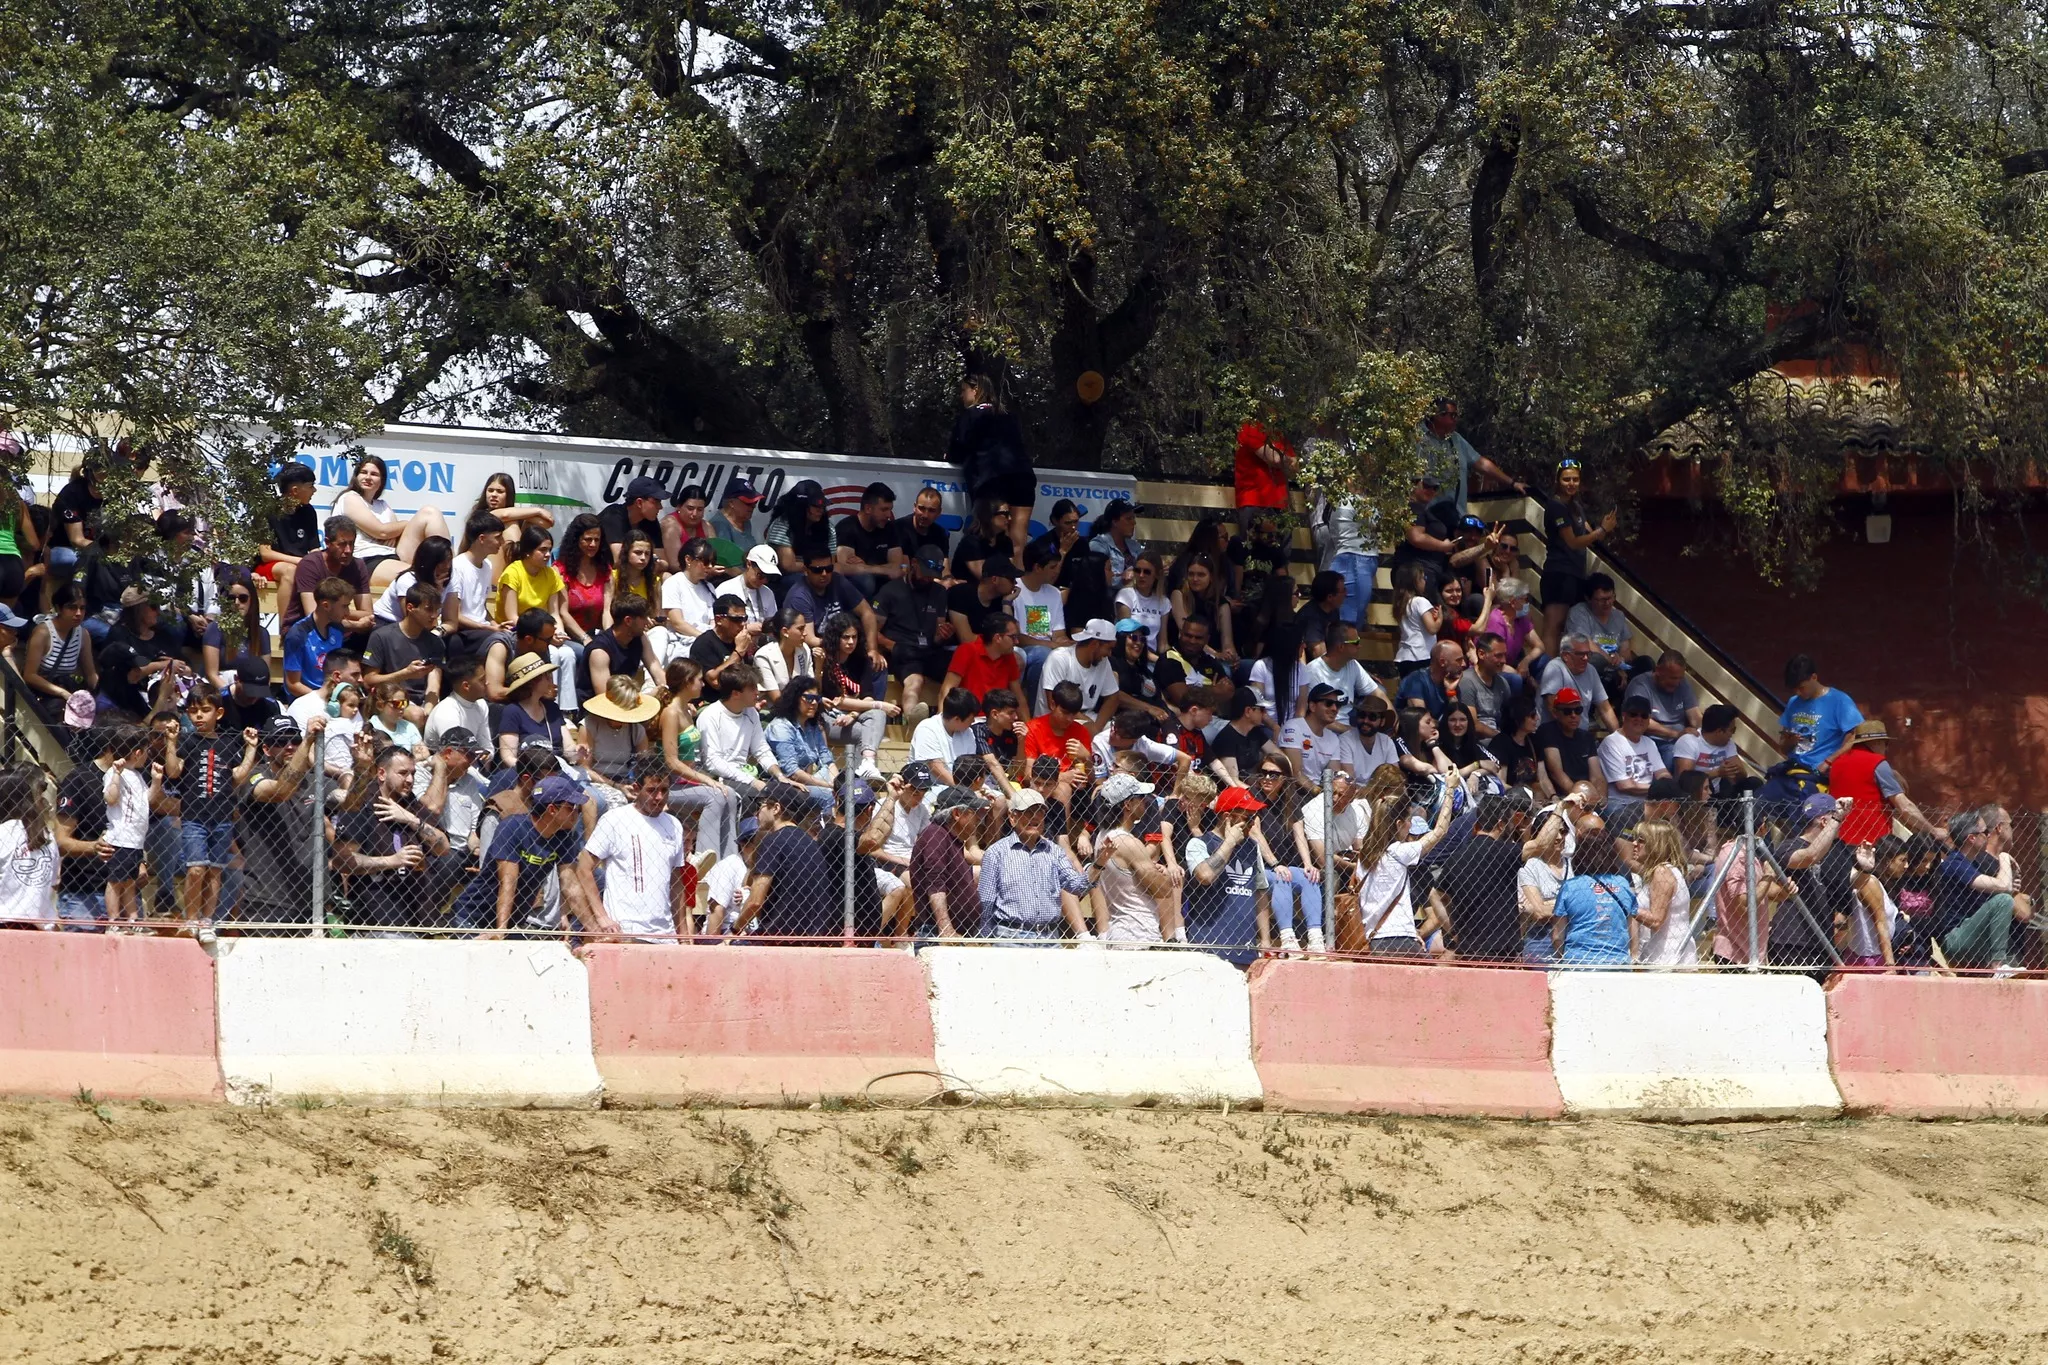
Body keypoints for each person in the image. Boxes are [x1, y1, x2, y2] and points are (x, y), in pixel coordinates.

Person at [452, 774, 604, 937]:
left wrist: (594, 932)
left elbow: (571, 885)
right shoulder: (512, 828)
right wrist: (500, 932)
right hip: (472, 916)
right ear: (552, 809)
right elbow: (508, 882)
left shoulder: (563, 836)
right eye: (571, 807)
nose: (577, 813)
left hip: (511, 921)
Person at [164, 689, 258, 941]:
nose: (198, 716)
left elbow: (237, 777)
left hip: (222, 818)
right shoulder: (186, 742)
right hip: (194, 817)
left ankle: (207, 919)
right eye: (193, 711)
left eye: (205, 710)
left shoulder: (228, 742)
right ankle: (191, 918)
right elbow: (173, 772)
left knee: (215, 871)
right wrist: (171, 743)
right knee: (196, 869)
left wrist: (251, 749)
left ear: (218, 713)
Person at [580, 753, 689, 940]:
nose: (659, 797)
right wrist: (602, 917)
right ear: (637, 789)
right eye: (652, 790)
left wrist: (683, 933)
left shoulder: (674, 825)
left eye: (664, 790)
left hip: (665, 936)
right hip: (626, 930)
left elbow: (676, 882)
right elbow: (583, 868)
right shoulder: (615, 820)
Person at [979, 788, 1096, 940]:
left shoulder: (1055, 852)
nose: (1035, 817)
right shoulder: (996, 853)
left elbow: (1077, 886)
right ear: (1012, 817)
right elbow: (986, 900)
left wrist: (1099, 864)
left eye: (1040, 811)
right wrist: (985, 937)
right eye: (1028, 812)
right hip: (1010, 938)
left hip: (1050, 937)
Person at [1931, 805, 2034, 972]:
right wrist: (2004, 857)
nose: (1988, 835)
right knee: (2003, 900)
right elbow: (2003, 886)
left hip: (1974, 934)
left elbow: (2001, 890)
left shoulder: (1975, 863)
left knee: (2003, 899)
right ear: (1972, 838)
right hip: (1955, 939)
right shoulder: (1955, 863)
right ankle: (1998, 967)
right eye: (1985, 832)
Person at [724, 780, 829, 939]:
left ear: (776, 808)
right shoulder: (809, 842)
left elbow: (755, 902)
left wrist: (734, 931)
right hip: (813, 937)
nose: (756, 812)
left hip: (778, 938)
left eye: (761, 805)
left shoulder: (773, 843)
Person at [948, 374, 1034, 564]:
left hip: (992, 479)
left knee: (985, 535)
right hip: (1023, 476)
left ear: (975, 390)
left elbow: (957, 451)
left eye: (963, 391)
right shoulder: (1008, 415)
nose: (962, 396)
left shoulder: (970, 415)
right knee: (1018, 540)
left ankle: (988, 585)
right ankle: (1016, 583)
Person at [1537, 458, 1614, 655]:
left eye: (1575, 479)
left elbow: (1587, 532)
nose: (1571, 483)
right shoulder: (1556, 506)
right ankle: (1549, 673)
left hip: (1576, 574)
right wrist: (1601, 530)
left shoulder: (1576, 507)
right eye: (1566, 479)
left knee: (1570, 629)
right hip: (1558, 573)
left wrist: (1602, 531)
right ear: (1558, 481)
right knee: (1554, 625)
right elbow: (1572, 541)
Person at [1090, 772, 1178, 945]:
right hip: (1140, 933)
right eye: (1140, 797)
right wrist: (1164, 874)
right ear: (1128, 804)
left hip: (1119, 930)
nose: (1144, 801)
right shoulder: (1130, 843)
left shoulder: (1102, 836)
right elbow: (1163, 889)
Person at [1181, 784, 1264, 961]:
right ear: (1228, 817)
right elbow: (1205, 876)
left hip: (1244, 946)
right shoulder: (1199, 844)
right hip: (1208, 945)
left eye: (1255, 817)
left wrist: (1265, 939)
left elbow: (1260, 892)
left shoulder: (1252, 847)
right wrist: (1230, 843)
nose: (1254, 823)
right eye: (1248, 817)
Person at [1244, 761, 1321, 952]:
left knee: (1309, 878)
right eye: (1263, 773)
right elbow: (1256, 834)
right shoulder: (1253, 798)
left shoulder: (1290, 799)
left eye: (1274, 774)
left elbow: (1299, 834)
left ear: (1284, 778)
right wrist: (1276, 863)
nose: (1267, 778)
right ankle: (1287, 938)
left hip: (1285, 866)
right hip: (1260, 866)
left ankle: (1315, 937)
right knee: (1281, 878)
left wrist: (1308, 864)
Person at [1828, 719, 1944, 845]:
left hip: (1838, 840)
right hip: (1872, 841)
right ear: (1877, 742)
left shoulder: (1837, 764)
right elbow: (1905, 807)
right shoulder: (1876, 762)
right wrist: (1933, 830)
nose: (1886, 749)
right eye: (1886, 744)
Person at [875, 547, 953, 727]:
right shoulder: (891, 590)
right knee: (914, 681)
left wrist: (943, 634)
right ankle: (913, 721)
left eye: (931, 575)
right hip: (902, 649)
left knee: (957, 669)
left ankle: (953, 723)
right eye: (925, 573)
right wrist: (891, 645)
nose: (927, 578)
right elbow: (872, 630)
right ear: (914, 564)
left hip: (929, 650)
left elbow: (937, 634)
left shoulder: (939, 592)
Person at [1417, 396, 1521, 516]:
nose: (1456, 420)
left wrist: (1512, 483)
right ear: (1438, 415)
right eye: (1453, 415)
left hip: (1456, 516)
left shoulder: (1456, 440)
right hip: (1427, 517)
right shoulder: (1418, 439)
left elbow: (1481, 464)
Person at [365, 581, 447, 719]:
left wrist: (428, 710)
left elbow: (434, 684)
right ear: (410, 607)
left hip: (421, 703)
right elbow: (369, 680)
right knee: (416, 714)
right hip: (390, 700)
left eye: (437, 610)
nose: (434, 615)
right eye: (428, 609)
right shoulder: (381, 636)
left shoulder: (435, 642)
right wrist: (405, 674)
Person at [1551, 831, 1634, 965]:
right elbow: (1631, 930)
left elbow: (1557, 936)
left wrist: (1564, 960)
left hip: (1579, 961)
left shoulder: (1570, 887)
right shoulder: (1623, 884)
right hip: (1617, 961)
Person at [283, 516, 373, 635]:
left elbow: (368, 614)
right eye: (342, 544)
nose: (348, 550)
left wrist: (338, 613)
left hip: (340, 633)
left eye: (351, 544)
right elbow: (314, 616)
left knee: (376, 633)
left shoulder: (358, 565)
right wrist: (354, 624)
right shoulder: (310, 564)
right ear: (327, 542)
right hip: (304, 633)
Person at [24, 584, 95, 724]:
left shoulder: (83, 635)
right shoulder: (43, 633)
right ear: (58, 608)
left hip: (66, 693)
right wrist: (62, 693)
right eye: (72, 607)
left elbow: (91, 674)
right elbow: (29, 675)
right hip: (44, 695)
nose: (78, 613)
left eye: (82, 608)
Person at [1630, 819, 1697, 968]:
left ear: (1656, 845)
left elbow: (1656, 921)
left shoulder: (1661, 872)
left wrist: (1626, 904)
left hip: (1667, 956)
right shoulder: (1667, 870)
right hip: (1670, 952)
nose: (1634, 844)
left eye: (1641, 840)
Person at [764, 678, 839, 806]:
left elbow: (827, 760)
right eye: (809, 698)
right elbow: (792, 772)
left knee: (850, 791)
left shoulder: (813, 727)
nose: (814, 702)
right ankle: (830, 826)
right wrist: (829, 786)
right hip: (787, 785)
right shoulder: (781, 727)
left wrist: (838, 785)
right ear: (795, 698)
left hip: (814, 780)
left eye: (817, 698)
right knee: (827, 795)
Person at [1778, 654, 1863, 767]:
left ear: (1814, 677)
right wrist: (1790, 742)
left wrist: (1830, 762)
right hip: (1793, 767)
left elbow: (1855, 735)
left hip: (1820, 771)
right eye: (1794, 689)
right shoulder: (1793, 702)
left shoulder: (1839, 700)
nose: (1798, 693)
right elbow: (1783, 749)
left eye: (1802, 687)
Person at [1621, 651, 1702, 768]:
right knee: (1673, 755)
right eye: (1673, 678)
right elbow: (1641, 721)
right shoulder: (1640, 685)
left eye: (1680, 678)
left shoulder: (1683, 683)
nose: (1677, 683)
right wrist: (1677, 734)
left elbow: (1695, 716)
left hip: (1682, 739)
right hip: (1652, 739)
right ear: (1658, 670)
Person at [1036, 619, 1126, 722]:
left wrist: (1097, 727)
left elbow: (1113, 697)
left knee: (1121, 731)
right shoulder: (1059, 658)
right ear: (1095, 644)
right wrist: (1091, 727)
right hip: (1057, 720)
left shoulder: (1103, 662)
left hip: (1087, 718)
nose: (1110, 654)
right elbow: (1055, 702)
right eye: (1109, 648)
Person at [496, 651, 573, 766]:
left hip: (557, 770)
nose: (550, 680)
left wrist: (579, 752)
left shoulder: (552, 707)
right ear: (533, 682)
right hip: (525, 775)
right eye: (546, 676)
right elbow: (508, 757)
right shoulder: (512, 712)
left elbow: (569, 748)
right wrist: (535, 770)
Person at [1597, 695, 1670, 815]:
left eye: (1644, 715)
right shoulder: (1611, 743)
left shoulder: (1649, 743)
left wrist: (1667, 785)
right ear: (1624, 716)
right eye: (1634, 714)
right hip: (1620, 805)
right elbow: (1625, 786)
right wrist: (1659, 789)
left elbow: (1662, 772)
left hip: (1648, 803)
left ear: (1648, 720)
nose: (1639, 719)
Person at [282, 577, 353, 698]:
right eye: (344, 606)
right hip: (307, 701)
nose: (348, 612)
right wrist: (322, 699)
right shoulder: (298, 634)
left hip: (333, 698)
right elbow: (293, 684)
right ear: (326, 605)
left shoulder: (337, 629)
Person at [1536, 688, 1605, 807]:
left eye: (1578, 710)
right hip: (1565, 798)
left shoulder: (1587, 737)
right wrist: (1580, 798)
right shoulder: (1548, 731)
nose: (1573, 715)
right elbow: (1556, 773)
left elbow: (1597, 776)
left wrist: (1600, 799)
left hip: (1589, 798)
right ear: (1556, 712)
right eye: (1567, 711)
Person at [1563, 573, 1635, 688]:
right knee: (1596, 660)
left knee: (1644, 663)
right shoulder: (1579, 612)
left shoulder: (1618, 616)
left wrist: (1621, 661)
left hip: (1615, 666)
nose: (1607, 603)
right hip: (1591, 667)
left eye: (1610, 598)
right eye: (1601, 600)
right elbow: (1584, 642)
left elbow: (1625, 647)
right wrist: (1611, 661)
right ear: (1588, 598)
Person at [1208, 686, 1289, 788]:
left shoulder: (1255, 732)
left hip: (1255, 789)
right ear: (1248, 711)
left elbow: (1280, 757)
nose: (1265, 714)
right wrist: (1257, 796)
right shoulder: (1227, 738)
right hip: (1237, 796)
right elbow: (1234, 780)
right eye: (1262, 710)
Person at [834, 481, 906, 594]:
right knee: (865, 581)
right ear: (868, 508)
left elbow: (896, 567)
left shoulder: (890, 528)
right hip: (857, 591)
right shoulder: (847, 528)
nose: (888, 515)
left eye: (890, 509)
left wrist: (864, 567)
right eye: (884, 509)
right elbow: (844, 568)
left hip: (884, 587)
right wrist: (882, 569)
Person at [257, 461, 319, 584]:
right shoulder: (267, 511)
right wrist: (299, 561)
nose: (314, 490)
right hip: (269, 566)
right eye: (311, 486)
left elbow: (314, 549)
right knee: (290, 570)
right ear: (295, 490)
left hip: (300, 565)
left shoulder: (309, 511)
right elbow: (265, 553)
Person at [1538, 634, 1617, 731]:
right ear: (1566, 656)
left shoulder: (1591, 670)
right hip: (1554, 733)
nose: (1586, 658)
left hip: (1579, 735)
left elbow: (1606, 709)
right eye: (1580, 654)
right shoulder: (1555, 667)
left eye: (1588, 654)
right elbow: (1553, 707)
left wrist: (1620, 740)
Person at [556, 513, 612, 650]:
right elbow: (563, 613)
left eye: (597, 540)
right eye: (588, 539)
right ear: (576, 540)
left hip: (597, 635)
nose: (593, 544)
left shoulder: (605, 570)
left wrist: (610, 638)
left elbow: (607, 610)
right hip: (571, 637)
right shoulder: (560, 571)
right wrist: (585, 639)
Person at [657, 535, 722, 651]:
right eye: (706, 562)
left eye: (712, 562)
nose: (710, 566)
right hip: (681, 643)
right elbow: (677, 623)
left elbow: (713, 621)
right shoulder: (674, 583)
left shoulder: (709, 587)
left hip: (708, 641)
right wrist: (705, 638)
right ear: (688, 559)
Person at [942, 611, 1023, 704]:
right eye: (1013, 637)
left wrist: (1027, 719)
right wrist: (943, 717)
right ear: (997, 638)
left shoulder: (1009, 656)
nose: (1017, 642)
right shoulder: (967, 650)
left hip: (996, 716)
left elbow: (1019, 697)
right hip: (968, 716)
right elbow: (947, 690)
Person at [1169, 552, 1236, 662]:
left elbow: (1227, 642)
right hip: (1185, 656)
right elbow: (1188, 637)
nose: (1195, 579)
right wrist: (1215, 654)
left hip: (1215, 658)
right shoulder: (1179, 595)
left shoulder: (1221, 603)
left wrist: (1231, 656)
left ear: (1211, 577)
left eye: (1201, 575)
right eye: (1191, 574)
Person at [763, 479, 836, 576]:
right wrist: (817, 567)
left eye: (823, 506)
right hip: (787, 577)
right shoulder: (782, 525)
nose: (821, 510)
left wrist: (818, 569)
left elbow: (833, 561)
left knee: (841, 581)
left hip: (820, 573)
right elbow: (788, 566)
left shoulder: (828, 528)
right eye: (815, 506)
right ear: (800, 506)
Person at [1673, 704, 1749, 794]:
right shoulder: (1689, 741)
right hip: (1696, 795)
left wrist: (1736, 770)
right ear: (1719, 731)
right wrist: (1717, 773)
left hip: (1719, 793)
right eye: (1732, 730)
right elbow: (1685, 781)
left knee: (1753, 782)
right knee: (1709, 785)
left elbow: (1742, 777)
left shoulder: (1728, 743)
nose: (1732, 734)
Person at [1233, 418, 1296, 527]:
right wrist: (1287, 460)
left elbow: (1295, 468)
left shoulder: (1278, 433)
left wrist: (1286, 461)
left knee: (1284, 542)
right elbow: (1274, 458)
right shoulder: (1250, 427)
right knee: (1257, 543)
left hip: (1281, 504)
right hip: (1255, 503)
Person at [946, 553, 1015, 643]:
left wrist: (1007, 604)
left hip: (991, 652)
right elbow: (966, 639)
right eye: (1011, 579)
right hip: (957, 652)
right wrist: (997, 641)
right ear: (995, 579)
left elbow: (1010, 639)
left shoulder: (1001, 601)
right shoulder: (960, 594)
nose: (1015, 583)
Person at [1025, 681, 1093, 773]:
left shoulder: (1081, 732)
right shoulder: (1032, 729)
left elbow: (1092, 779)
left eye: (1074, 714)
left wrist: (1086, 758)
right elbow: (1028, 774)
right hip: (1041, 785)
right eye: (1065, 712)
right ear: (1053, 705)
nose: (1069, 719)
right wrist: (1063, 778)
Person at [425, 654, 489, 750]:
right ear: (466, 686)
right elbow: (455, 754)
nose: (487, 682)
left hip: (473, 761)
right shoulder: (446, 711)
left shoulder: (481, 704)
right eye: (482, 680)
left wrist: (487, 754)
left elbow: (487, 745)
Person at [601, 476, 667, 568]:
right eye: (656, 502)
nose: (660, 507)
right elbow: (618, 560)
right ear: (639, 502)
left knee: (666, 576)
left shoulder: (650, 520)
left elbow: (664, 563)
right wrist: (653, 562)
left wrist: (655, 563)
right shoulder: (613, 515)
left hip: (635, 575)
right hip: (601, 575)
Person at [1114, 549, 1171, 650]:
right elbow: (1127, 638)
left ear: (1157, 574)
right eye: (1137, 570)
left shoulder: (1164, 602)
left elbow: (1163, 643)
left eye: (1147, 572)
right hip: (1131, 654)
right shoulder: (1126, 595)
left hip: (1153, 657)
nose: (1141, 575)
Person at [1395, 640, 1464, 721]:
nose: (1464, 664)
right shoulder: (1416, 681)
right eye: (1459, 660)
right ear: (1442, 662)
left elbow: (1457, 718)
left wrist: (1451, 692)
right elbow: (1421, 721)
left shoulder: (1450, 680)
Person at [715, 543, 781, 626]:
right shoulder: (726, 589)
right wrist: (747, 629)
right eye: (760, 575)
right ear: (748, 564)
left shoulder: (768, 593)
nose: (764, 581)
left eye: (769, 577)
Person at [659, 483, 710, 574]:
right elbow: (675, 565)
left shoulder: (707, 526)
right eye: (690, 508)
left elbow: (716, 558)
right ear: (679, 506)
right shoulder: (670, 524)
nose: (694, 514)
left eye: (700, 509)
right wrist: (706, 570)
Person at [893, 486, 950, 568]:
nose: (925, 515)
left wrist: (948, 579)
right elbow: (904, 569)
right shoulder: (898, 528)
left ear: (939, 512)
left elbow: (945, 568)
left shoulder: (941, 533)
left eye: (931, 510)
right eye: (921, 508)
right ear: (914, 507)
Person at [706, 476, 764, 552]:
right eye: (748, 503)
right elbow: (727, 558)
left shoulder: (745, 521)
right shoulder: (719, 525)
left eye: (755, 502)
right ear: (731, 503)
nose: (753, 506)